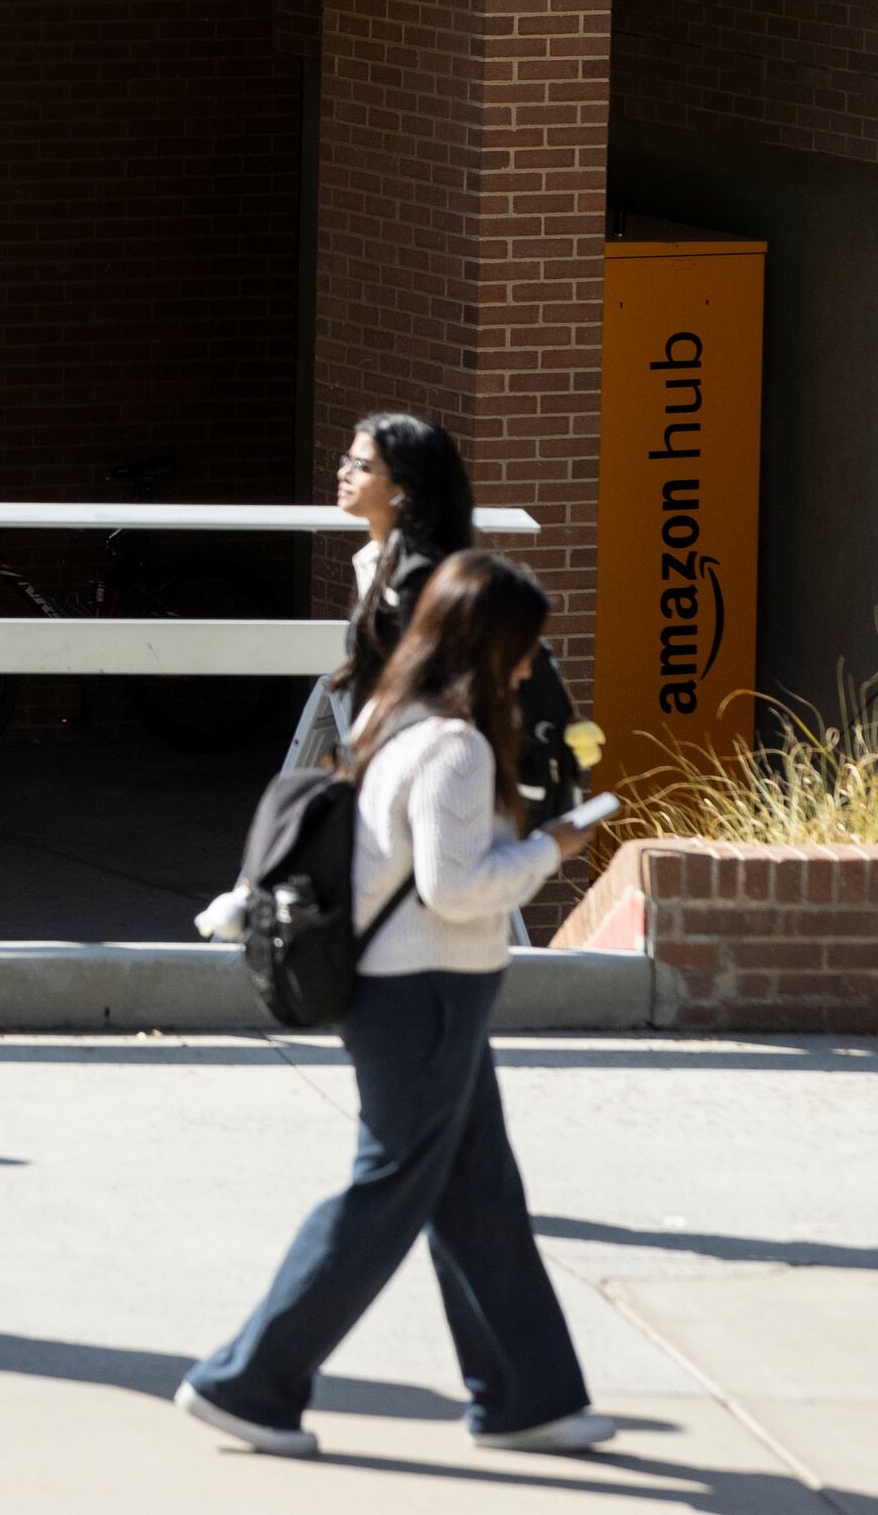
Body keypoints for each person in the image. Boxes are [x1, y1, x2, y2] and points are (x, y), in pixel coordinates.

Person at [178, 552, 612, 1460]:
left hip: (411, 997)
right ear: (489, 646)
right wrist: (555, 847)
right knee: (386, 1198)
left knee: (479, 1196)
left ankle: (526, 1397)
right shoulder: (456, 747)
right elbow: (456, 891)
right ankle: (248, 1383)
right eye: (527, 648)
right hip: (428, 1000)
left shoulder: (390, 718)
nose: (535, 667)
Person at [331, 414, 585, 826]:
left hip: (425, 787)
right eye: (347, 459)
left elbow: (433, 688)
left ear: (404, 485)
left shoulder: (421, 577)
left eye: (362, 465)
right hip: (400, 771)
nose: (344, 472)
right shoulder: (386, 563)